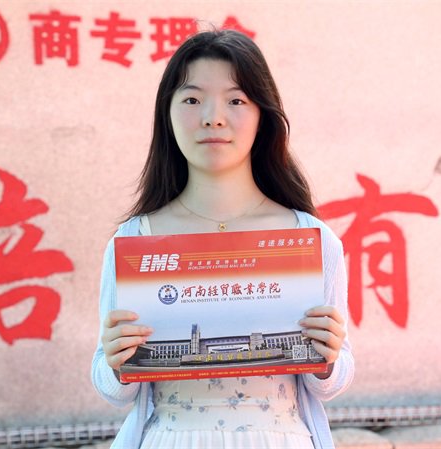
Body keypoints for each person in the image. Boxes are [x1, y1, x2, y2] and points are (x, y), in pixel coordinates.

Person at [91, 29, 354, 449]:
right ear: (167, 114)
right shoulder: (136, 240)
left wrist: (329, 356)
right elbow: (113, 388)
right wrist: (115, 359)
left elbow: (331, 382)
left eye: (236, 100)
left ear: (262, 115)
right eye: (192, 100)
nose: (213, 117)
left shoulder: (308, 238)